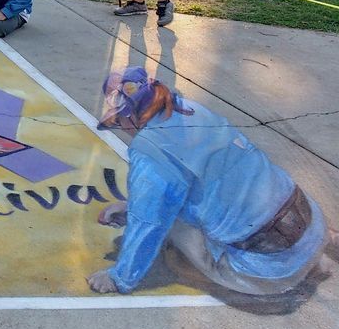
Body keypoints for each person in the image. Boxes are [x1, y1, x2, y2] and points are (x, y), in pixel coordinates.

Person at [88, 67, 329, 297]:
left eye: (118, 121)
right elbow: (206, 178)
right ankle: (314, 258)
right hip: (312, 228)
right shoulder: (191, 110)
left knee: (169, 230)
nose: (122, 128)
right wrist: (132, 205)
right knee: (201, 196)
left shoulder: (149, 148)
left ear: (130, 116)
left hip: (270, 272)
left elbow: (149, 219)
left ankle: (284, 271)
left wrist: (119, 278)